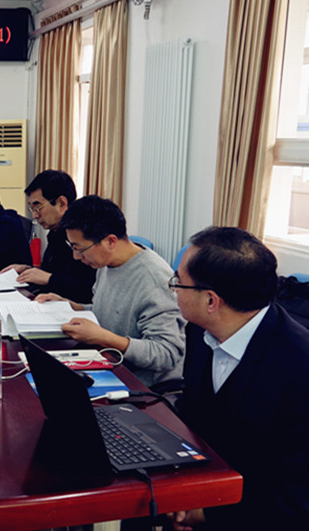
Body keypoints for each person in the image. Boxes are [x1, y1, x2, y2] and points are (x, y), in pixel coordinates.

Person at [168, 227, 309, 530]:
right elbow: (195, 413)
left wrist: (205, 515)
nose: (174, 290)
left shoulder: (300, 370)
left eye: (178, 281)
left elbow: (297, 497)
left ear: (211, 301)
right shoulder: (200, 331)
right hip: (205, 485)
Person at [35, 195, 185, 387]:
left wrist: (104, 337)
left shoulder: (154, 280)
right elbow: (110, 311)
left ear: (110, 241)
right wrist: (72, 306)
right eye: (72, 247)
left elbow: (166, 354)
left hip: (140, 386)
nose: (76, 257)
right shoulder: (106, 263)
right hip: (106, 362)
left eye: (79, 249)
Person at [1, 170, 96, 302]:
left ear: (61, 203)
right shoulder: (55, 233)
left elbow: (89, 288)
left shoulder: (85, 234)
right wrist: (28, 271)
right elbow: (54, 272)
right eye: (32, 209)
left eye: (38, 207)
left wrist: (49, 278)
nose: (34, 215)